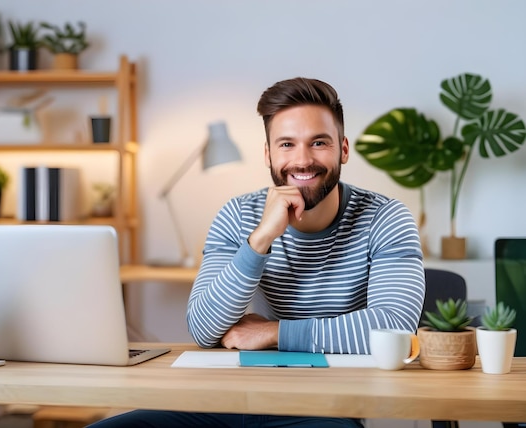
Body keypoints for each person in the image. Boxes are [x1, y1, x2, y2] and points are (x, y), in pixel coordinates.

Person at [88, 77, 425, 428]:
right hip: (225, 400)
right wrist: (260, 239)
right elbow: (203, 329)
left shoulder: (385, 218)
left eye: (319, 143)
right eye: (287, 144)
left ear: (343, 149)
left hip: (322, 409)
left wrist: (274, 332)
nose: (303, 160)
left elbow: (395, 328)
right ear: (268, 154)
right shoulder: (238, 215)